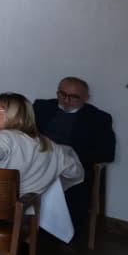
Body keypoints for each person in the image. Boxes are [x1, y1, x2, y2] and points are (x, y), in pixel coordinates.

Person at [33, 77, 116, 232]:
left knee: (76, 187)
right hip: (38, 160)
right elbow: (26, 133)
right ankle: (19, 226)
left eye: (73, 97)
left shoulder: (99, 118)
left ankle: (64, 234)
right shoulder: (41, 107)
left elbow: (107, 153)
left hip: (73, 165)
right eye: (62, 94)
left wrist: (67, 153)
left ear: (86, 98)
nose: (66, 100)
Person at [0, 93, 83, 198]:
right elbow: (77, 174)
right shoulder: (51, 146)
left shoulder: (5, 137)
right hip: (21, 212)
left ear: (11, 113)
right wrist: (49, 184)